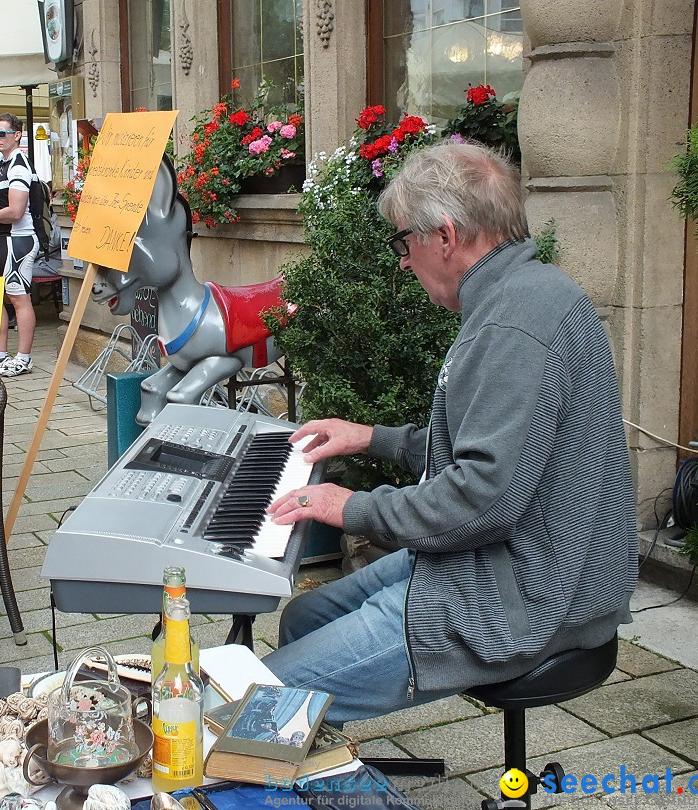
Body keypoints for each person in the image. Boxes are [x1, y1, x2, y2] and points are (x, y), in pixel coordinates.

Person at [262, 141, 636, 725]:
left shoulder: (513, 323)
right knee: (303, 620)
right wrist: (372, 438)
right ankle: (311, 761)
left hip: (525, 596)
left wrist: (352, 507)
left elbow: (481, 497)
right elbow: (491, 450)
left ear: (445, 235)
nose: (403, 261)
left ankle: (311, 767)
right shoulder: (522, 293)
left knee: (264, 699)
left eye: (403, 242)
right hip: (513, 561)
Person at [0, 114, 38, 377]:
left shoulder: (18, 165)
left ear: (17, 135)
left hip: (19, 238)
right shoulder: (3, 165)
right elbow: (4, 200)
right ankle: (0, 354)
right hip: (2, 239)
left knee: (18, 297)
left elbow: (16, 211)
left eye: (1, 134)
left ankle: (24, 357)